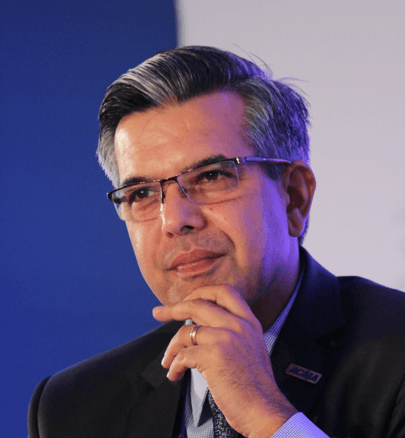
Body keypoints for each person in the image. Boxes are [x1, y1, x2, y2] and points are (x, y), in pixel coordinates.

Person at [28, 46, 405, 438]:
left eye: (211, 176)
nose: (175, 220)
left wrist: (266, 416)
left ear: (294, 197)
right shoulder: (72, 408)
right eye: (141, 193)